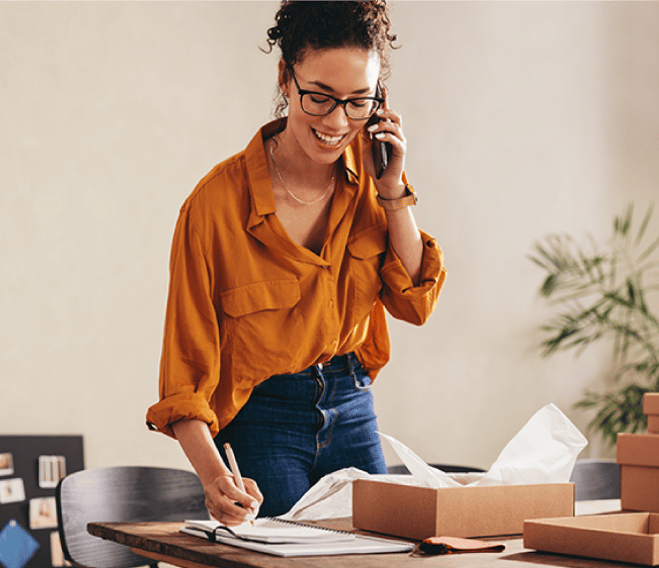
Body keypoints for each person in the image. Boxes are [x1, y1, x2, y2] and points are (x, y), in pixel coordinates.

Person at [146, 0, 446, 525]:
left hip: (352, 403)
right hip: (263, 416)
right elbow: (184, 377)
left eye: (359, 102)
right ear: (285, 76)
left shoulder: (373, 181)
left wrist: (393, 190)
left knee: (383, 557)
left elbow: (415, 303)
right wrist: (215, 478)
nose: (337, 122)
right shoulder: (215, 207)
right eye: (320, 97)